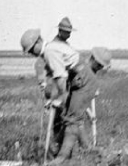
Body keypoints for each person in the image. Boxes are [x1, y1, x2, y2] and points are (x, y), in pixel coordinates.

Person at [21, 29, 109, 158]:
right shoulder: (52, 48)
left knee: (71, 120)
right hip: (81, 80)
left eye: (31, 50)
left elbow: (61, 78)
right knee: (72, 120)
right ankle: (88, 151)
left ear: (38, 42)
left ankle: (63, 156)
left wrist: (61, 98)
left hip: (84, 81)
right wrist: (55, 98)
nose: (31, 54)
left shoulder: (50, 52)